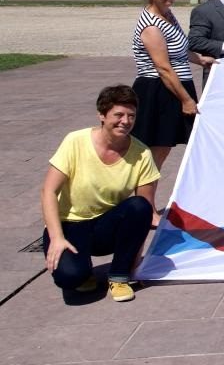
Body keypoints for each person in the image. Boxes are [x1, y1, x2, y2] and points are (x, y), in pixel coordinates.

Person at [41, 85, 159, 303]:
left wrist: (134, 265)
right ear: (102, 115)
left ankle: (118, 276)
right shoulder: (75, 141)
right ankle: (82, 271)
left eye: (131, 116)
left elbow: (146, 212)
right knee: (70, 278)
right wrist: (56, 238)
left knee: (139, 206)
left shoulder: (142, 153)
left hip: (106, 226)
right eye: (119, 115)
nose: (125, 121)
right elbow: (48, 190)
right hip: (70, 225)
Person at [132, 0, 211, 172]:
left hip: (173, 87)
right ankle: (143, 201)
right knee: (154, 151)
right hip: (159, 90)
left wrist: (201, 60)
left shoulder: (167, 15)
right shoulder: (151, 25)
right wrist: (186, 100)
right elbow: (164, 68)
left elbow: (179, 50)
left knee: (163, 148)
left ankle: (145, 200)